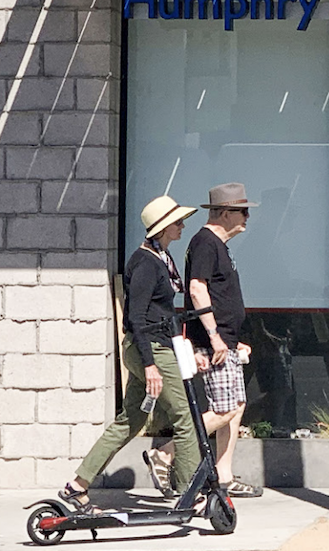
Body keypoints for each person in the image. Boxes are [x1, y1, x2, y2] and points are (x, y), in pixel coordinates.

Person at [58, 195, 201, 513]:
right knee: (184, 417)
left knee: (130, 421)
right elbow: (136, 317)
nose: (182, 226)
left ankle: (77, 486)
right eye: (177, 222)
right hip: (149, 348)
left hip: (155, 346)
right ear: (163, 228)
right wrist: (150, 365)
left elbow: (162, 313)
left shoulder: (160, 258)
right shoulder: (146, 263)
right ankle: (190, 491)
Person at [147, 182, 263, 499]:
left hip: (224, 341)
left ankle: (224, 475)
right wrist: (214, 337)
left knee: (236, 408)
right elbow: (197, 290)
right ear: (224, 213)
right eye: (243, 211)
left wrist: (232, 338)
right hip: (214, 344)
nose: (247, 218)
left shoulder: (217, 245)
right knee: (226, 409)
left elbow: (220, 295)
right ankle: (166, 451)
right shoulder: (205, 243)